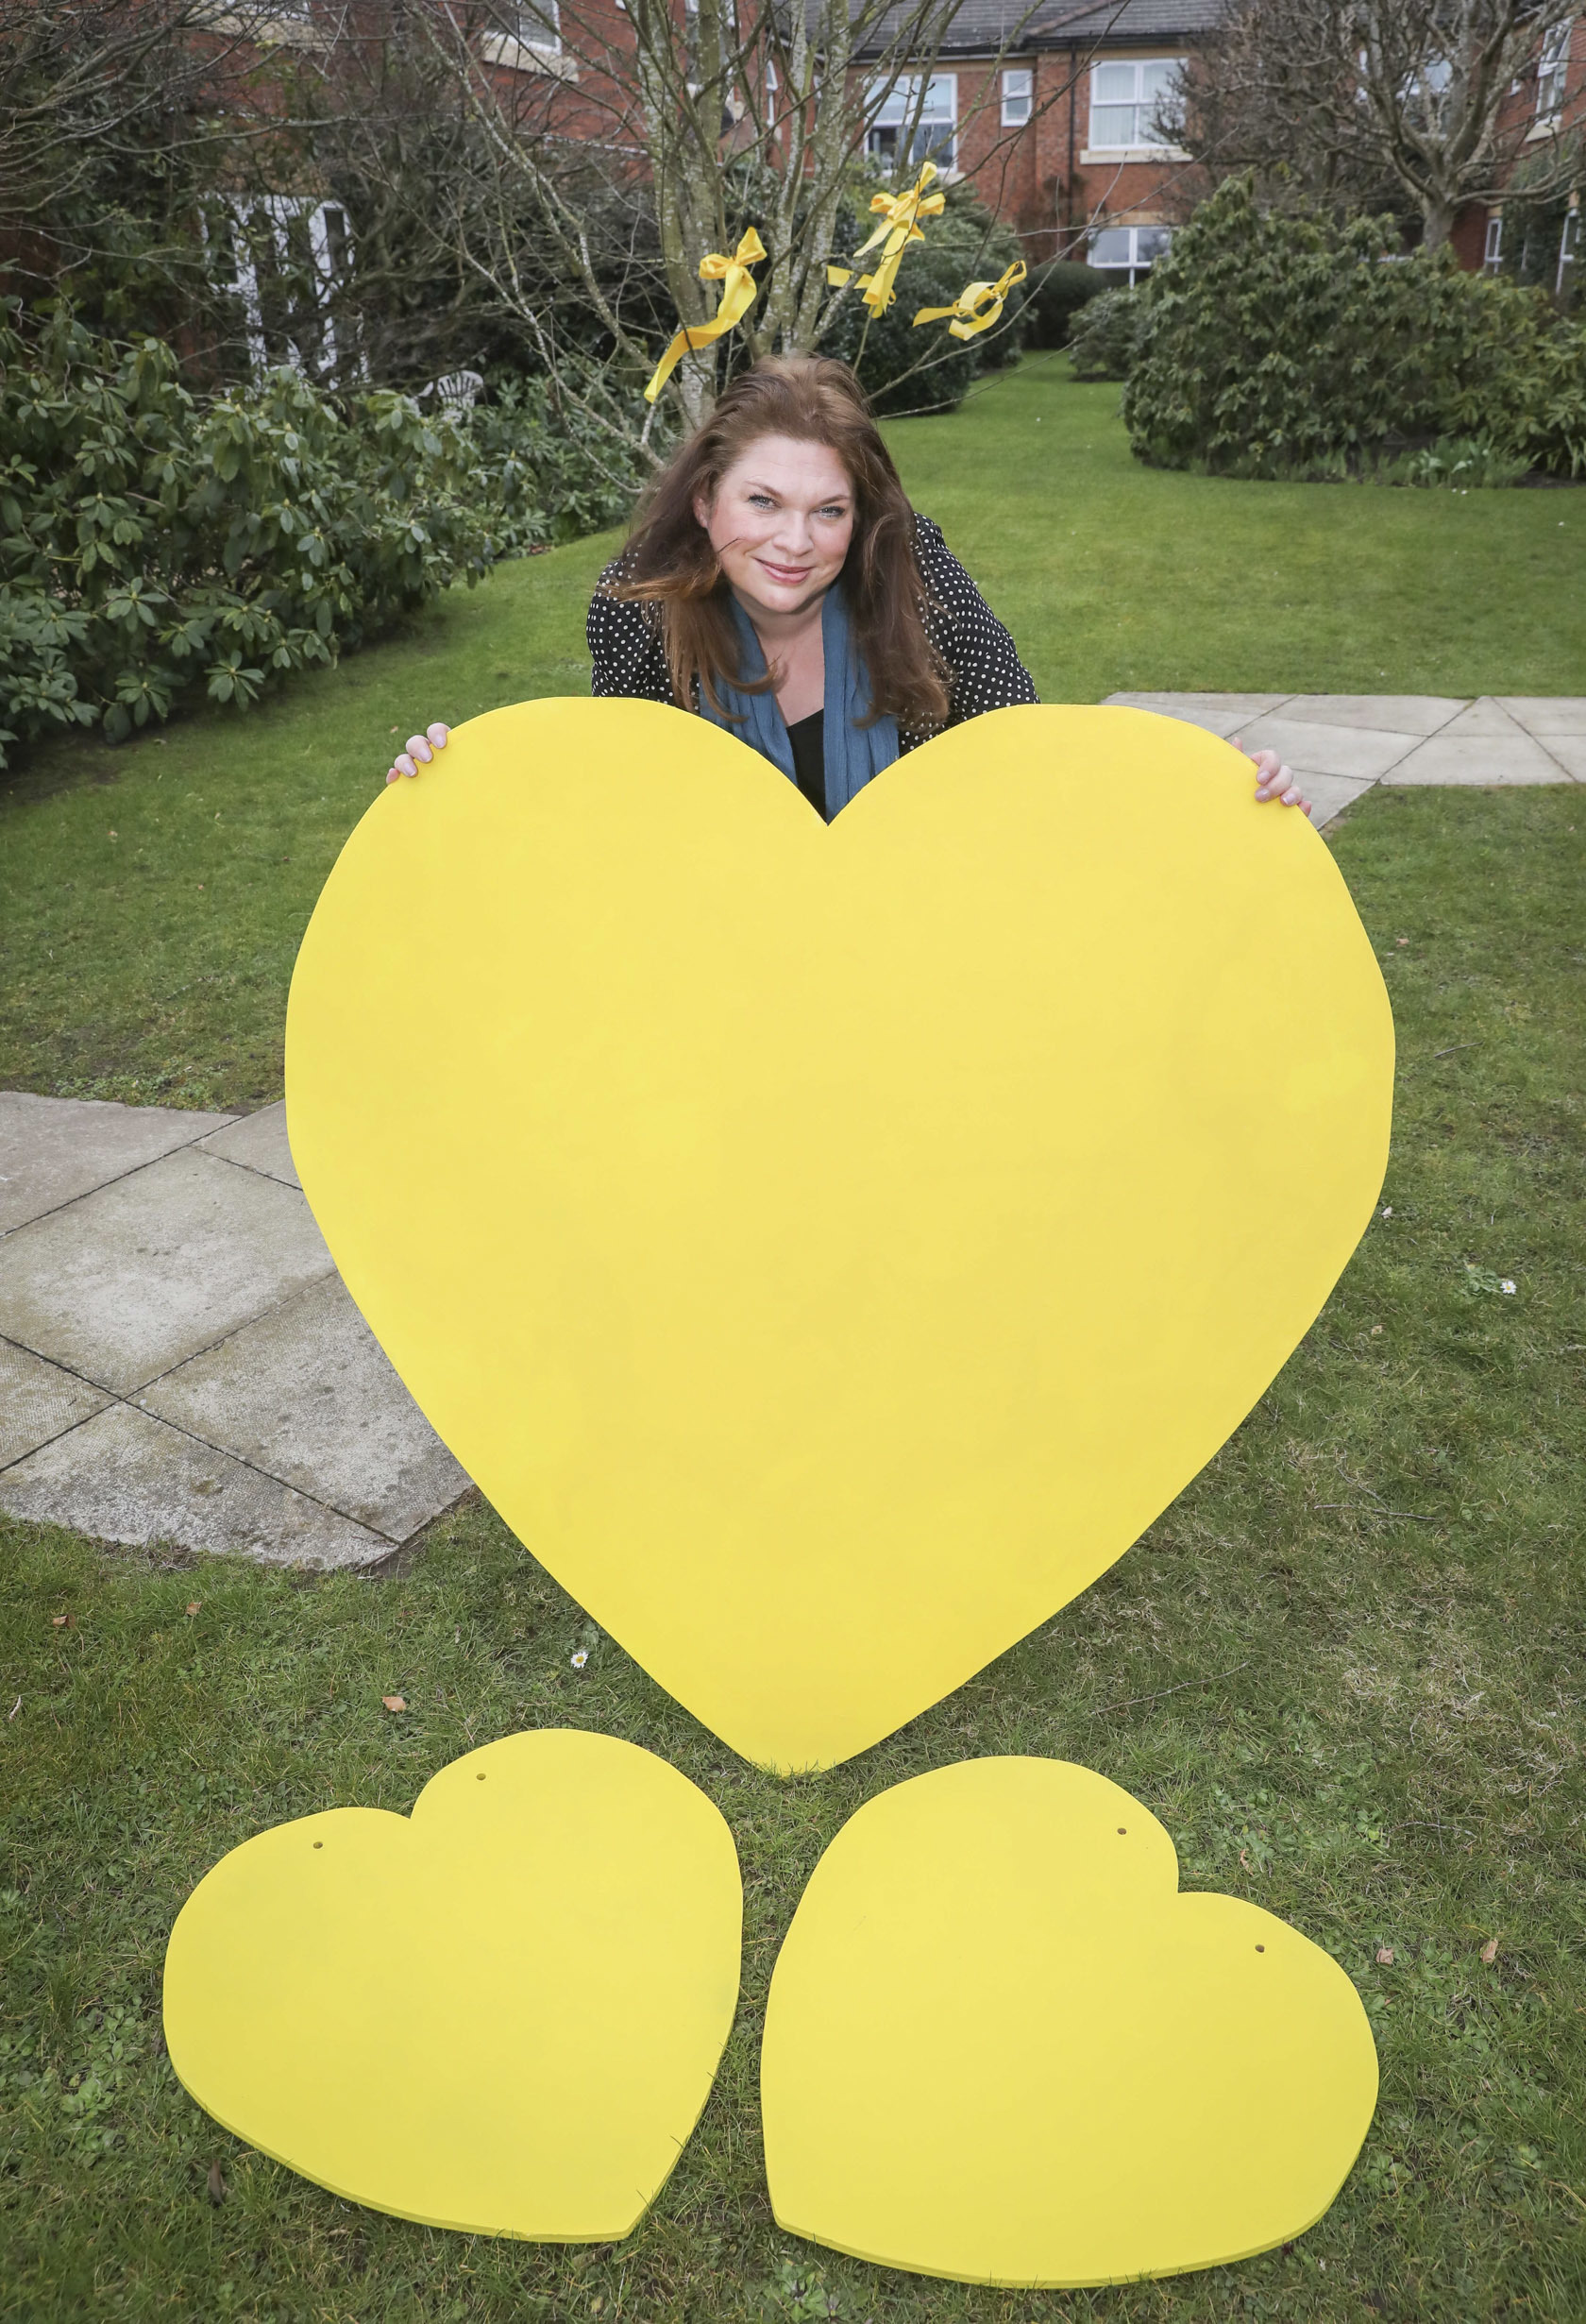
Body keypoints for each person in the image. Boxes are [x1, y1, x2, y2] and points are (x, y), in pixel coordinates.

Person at [386, 353, 1312, 823]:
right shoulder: (643, 612)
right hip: (727, 979)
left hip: (911, 961)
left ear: (860, 520)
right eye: (764, 501)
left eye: (828, 510)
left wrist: (1218, 804)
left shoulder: (912, 579)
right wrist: (455, 791)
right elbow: (616, 817)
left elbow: (1027, 763)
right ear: (707, 502)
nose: (796, 542)